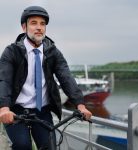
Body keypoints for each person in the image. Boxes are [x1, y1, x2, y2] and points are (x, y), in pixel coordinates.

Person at [0, 6, 92, 150]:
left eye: (43, 24)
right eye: (34, 23)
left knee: (50, 146)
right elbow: (3, 80)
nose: (39, 27)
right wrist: (4, 108)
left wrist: (80, 105)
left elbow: (66, 77)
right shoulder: (12, 52)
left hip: (42, 111)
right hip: (16, 110)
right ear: (24, 27)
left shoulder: (52, 52)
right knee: (22, 145)